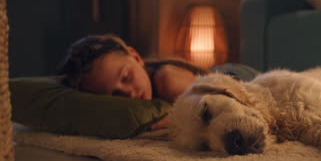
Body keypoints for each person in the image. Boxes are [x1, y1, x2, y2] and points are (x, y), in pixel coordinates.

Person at [58, 34, 211, 130]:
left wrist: (173, 119)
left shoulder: (166, 79)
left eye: (126, 77)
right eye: (115, 94)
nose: (129, 93)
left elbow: (212, 108)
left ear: (136, 57)